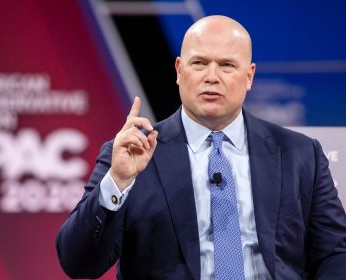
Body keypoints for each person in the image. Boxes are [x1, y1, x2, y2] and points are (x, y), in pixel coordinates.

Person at [56, 15, 346, 279]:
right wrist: (117, 183)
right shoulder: (132, 154)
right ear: (180, 71)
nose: (211, 76)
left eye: (227, 65)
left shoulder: (299, 154)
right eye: (199, 63)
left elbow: (335, 253)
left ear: (249, 76)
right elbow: (78, 264)